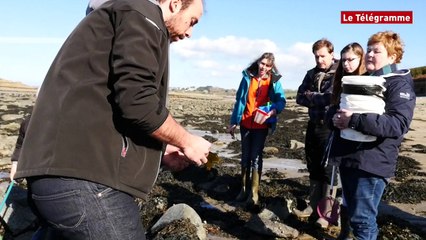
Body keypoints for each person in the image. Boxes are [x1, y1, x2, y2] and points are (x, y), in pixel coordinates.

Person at [14, 0, 211, 239]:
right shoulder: (141, 13)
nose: (190, 32)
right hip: (84, 182)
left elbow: (104, 109)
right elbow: (137, 101)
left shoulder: (113, 19)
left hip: (59, 177)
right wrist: (187, 141)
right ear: (174, 3)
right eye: (192, 21)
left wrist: (162, 147)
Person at [328, 31, 416, 240]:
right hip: (349, 157)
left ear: (393, 57)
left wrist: (354, 120)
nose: (369, 54)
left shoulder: (398, 84)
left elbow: (398, 124)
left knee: (363, 220)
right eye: (368, 49)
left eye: (376, 51)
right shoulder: (364, 80)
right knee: (348, 211)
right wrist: (334, 118)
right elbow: (339, 108)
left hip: (372, 163)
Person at [228, 52, 286, 207]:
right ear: (258, 62)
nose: (264, 67)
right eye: (262, 63)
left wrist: (274, 109)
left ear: (271, 67)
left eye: (267, 65)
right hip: (245, 123)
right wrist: (234, 121)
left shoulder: (274, 81)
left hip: (261, 125)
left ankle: (254, 194)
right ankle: (244, 190)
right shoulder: (247, 77)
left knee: (256, 157)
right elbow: (239, 100)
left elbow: (281, 100)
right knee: (245, 156)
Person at [294, 38, 339, 228]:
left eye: (323, 56)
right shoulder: (310, 73)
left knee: (329, 170)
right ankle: (313, 207)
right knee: (313, 166)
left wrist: (312, 96)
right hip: (313, 125)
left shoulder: (340, 72)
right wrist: (316, 98)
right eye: (316, 56)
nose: (320, 60)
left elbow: (332, 98)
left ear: (331, 53)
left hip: (331, 127)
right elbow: (299, 97)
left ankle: (327, 214)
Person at [329, 42, 366, 239]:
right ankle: (345, 233)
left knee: (359, 196)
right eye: (343, 60)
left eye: (351, 59)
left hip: (362, 148)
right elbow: (331, 109)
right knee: (345, 191)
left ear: (361, 59)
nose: (346, 64)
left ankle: (353, 231)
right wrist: (333, 119)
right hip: (341, 144)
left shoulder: (370, 81)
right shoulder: (340, 81)